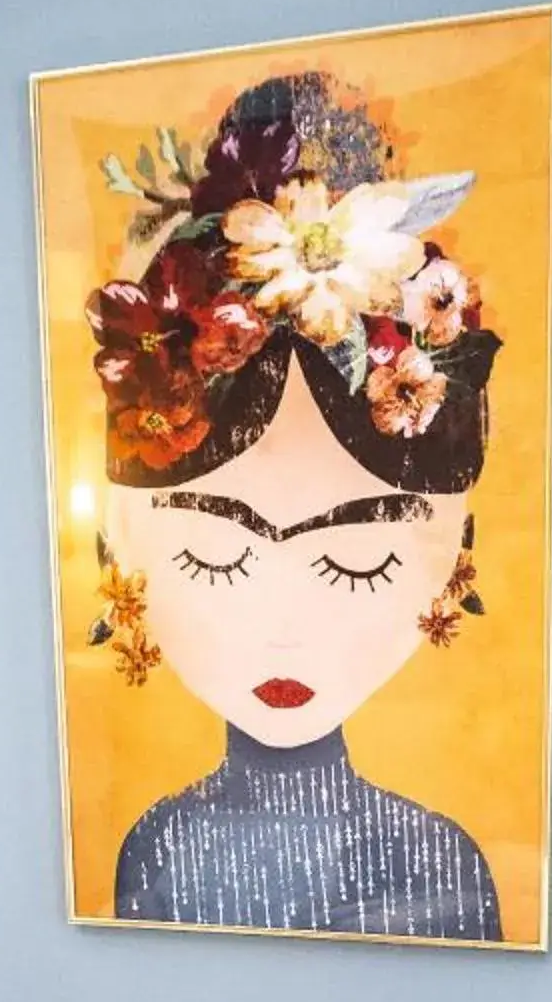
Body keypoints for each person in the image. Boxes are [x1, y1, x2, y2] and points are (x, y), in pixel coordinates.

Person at [85, 71, 503, 942]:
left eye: (360, 560)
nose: (283, 627)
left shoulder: (444, 863)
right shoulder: (156, 852)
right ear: (115, 544)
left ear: (454, 550)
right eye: (215, 556)